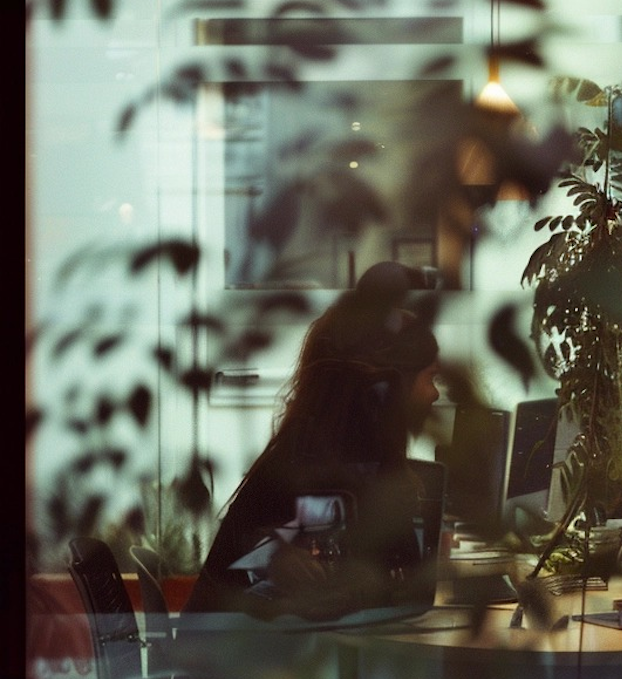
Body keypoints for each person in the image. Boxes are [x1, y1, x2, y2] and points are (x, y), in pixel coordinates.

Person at [185, 262, 443, 622]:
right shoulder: (325, 469)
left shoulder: (325, 455)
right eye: (430, 377)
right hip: (234, 665)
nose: (434, 394)